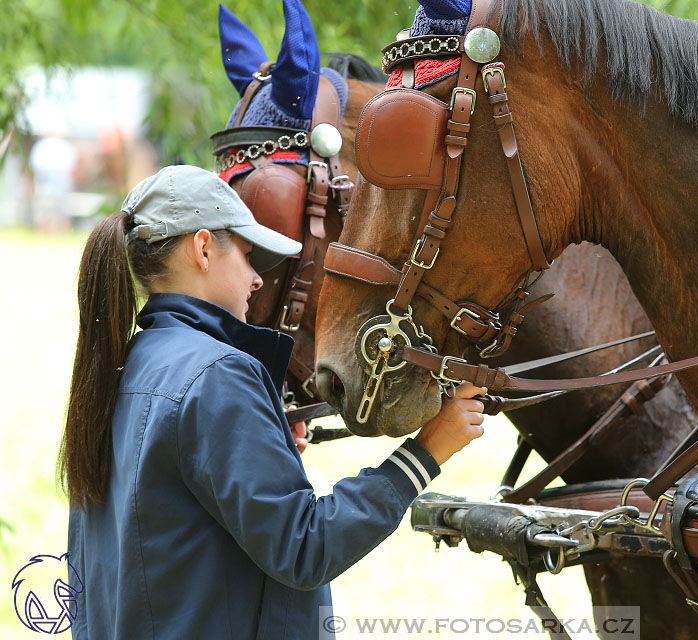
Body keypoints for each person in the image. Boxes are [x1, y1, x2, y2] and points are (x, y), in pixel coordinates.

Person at [60, 165, 486, 639]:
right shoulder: (218, 375)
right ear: (202, 249)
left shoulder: (125, 364)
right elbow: (304, 550)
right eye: (247, 255)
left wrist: (264, 447)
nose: (258, 279)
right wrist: (426, 452)